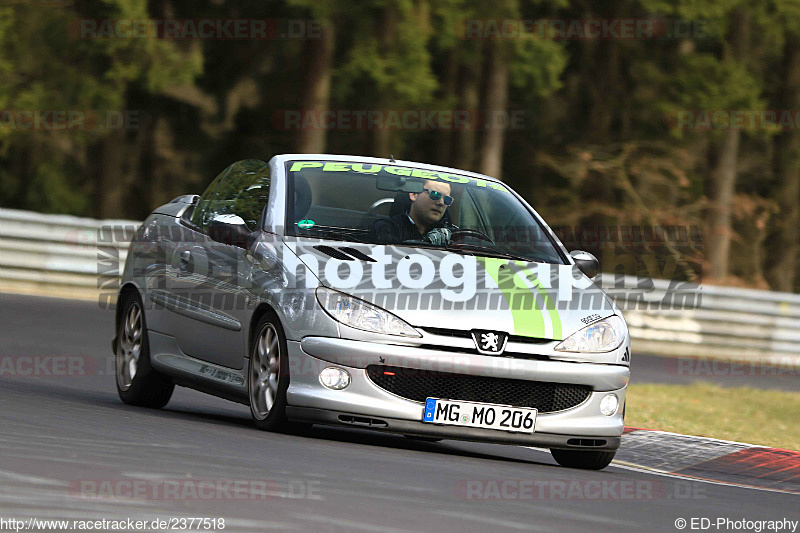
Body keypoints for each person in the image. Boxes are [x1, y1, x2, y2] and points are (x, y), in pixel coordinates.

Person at [372, 180, 455, 245]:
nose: (441, 203)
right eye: (435, 195)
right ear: (414, 194)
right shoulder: (385, 228)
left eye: (447, 200)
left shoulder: (452, 235)